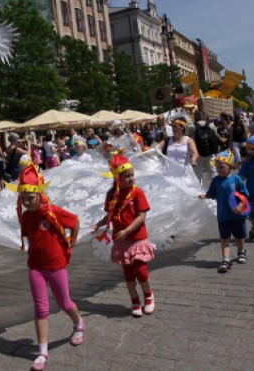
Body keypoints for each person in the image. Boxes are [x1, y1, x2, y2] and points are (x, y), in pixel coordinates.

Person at [8, 163, 83, 371]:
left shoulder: (53, 212)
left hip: (56, 266)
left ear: (40, 194)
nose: (26, 202)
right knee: (41, 308)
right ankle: (42, 353)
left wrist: (72, 241)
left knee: (65, 304)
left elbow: (75, 221)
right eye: (23, 198)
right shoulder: (26, 216)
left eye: (30, 198)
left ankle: (78, 324)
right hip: (35, 268)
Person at [91, 154, 156, 316]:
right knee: (128, 274)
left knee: (141, 272)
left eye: (132, 175)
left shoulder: (137, 193)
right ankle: (135, 301)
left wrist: (127, 231)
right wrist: (99, 224)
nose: (131, 178)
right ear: (117, 178)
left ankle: (148, 296)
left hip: (137, 239)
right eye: (127, 176)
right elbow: (111, 214)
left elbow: (141, 216)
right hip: (121, 241)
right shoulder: (111, 195)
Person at [199, 150, 250, 273]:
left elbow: (244, 196)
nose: (219, 170)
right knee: (224, 238)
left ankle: (241, 252)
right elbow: (211, 194)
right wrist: (204, 196)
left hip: (237, 215)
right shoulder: (215, 181)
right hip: (223, 216)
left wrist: (240, 205)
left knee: (239, 236)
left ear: (230, 166)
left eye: (221, 167)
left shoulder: (236, 180)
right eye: (217, 168)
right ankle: (226, 259)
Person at [191, 111, 217, 188]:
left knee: (198, 175)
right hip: (210, 154)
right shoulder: (212, 126)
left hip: (198, 154)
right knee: (213, 173)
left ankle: (199, 192)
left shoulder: (193, 127)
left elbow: (192, 140)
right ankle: (216, 189)